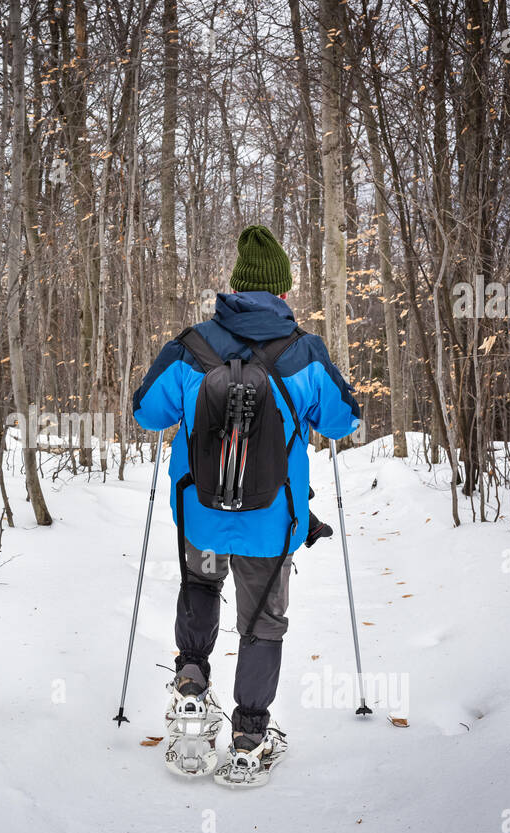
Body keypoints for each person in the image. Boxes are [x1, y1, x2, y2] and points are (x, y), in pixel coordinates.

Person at [132, 224, 361, 773]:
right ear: (282, 293)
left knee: (199, 584)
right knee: (262, 621)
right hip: (269, 522)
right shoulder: (303, 351)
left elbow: (145, 413)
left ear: (233, 289)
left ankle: (190, 690)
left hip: (201, 518)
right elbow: (342, 419)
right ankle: (249, 736)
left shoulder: (191, 346)